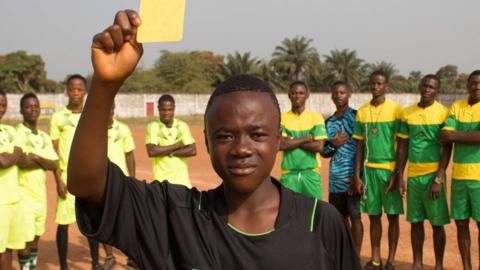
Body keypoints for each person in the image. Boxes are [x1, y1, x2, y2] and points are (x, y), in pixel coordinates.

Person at [67, 10, 360, 270]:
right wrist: (105, 84)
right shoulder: (175, 217)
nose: (241, 148)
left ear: (277, 139)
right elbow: (88, 185)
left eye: (257, 135)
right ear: (207, 143)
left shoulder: (321, 223)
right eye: (225, 136)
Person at [394, 75, 451, 270]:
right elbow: (402, 147)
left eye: (432, 87)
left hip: (433, 177)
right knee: (416, 222)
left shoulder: (444, 113)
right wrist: (399, 174)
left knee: (437, 224)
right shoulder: (407, 113)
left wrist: (439, 177)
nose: (427, 89)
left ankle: (439, 265)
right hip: (413, 177)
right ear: (420, 87)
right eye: (425, 86)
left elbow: (447, 148)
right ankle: (417, 264)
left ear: (437, 91)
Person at [49, 74, 102, 270]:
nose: (76, 93)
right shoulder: (58, 118)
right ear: (67, 91)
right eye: (72, 89)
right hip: (67, 178)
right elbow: (53, 150)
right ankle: (63, 266)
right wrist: (58, 180)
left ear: (85, 91)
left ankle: (96, 263)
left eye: (80, 89)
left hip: (89, 179)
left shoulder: (91, 115)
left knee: (93, 221)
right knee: (63, 223)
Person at [352, 70, 404, 270]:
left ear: (386, 85)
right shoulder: (362, 112)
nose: (375, 87)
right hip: (369, 171)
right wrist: (357, 176)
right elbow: (359, 146)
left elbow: (402, 145)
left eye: (379, 83)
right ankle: (376, 259)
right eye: (372, 83)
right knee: (373, 216)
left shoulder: (396, 111)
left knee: (392, 217)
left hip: (389, 171)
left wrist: (398, 173)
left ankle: (390, 260)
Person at [439, 70, 480, 270]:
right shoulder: (457, 106)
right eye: (473, 83)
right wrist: (469, 135)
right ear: (467, 85)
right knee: (461, 224)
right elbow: (445, 135)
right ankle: (467, 267)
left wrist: (456, 135)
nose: (477, 86)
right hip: (459, 178)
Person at [16, 93, 59, 270]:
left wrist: (38, 159)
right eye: (28, 106)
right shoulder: (18, 133)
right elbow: (22, 162)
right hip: (23, 195)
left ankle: (31, 268)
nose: (33, 109)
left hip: (40, 196)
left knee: (35, 239)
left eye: (36, 106)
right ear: (21, 110)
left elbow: (54, 163)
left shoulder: (43, 136)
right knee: (25, 241)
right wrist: (44, 162)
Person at [321, 81, 363, 255]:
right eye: (336, 92)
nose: (339, 95)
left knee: (355, 216)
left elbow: (362, 146)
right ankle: (346, 253)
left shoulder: (357, 116)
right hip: (335, 178)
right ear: (331, 96)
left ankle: (356, 256)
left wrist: (358, 175)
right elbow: (324, 152)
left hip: (353, 176)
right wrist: (333, 144)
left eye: (343, 92)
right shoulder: (329, 121)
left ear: (349, 95)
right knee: (339, 218)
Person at [279, 81, 326, 199]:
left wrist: (293, 140)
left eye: (301, 93)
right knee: (289, 213)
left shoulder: (316, 117)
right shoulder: (282, 118)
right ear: (289, 95)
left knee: (314, 212)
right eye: (294, 93)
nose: (297, 96)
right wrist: (306, 138)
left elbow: (319, 147)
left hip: (311, 174)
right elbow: (281, 144)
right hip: (289, 175)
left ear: (307, 95)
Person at [106, 103, 138, 269]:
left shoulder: (123, 129)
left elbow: (129, 154)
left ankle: (132, 257)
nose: (109, 110)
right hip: (102, 184)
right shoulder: (95, 129)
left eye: (111, 107)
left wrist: (132, 180)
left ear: (114, 109)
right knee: (105, 221)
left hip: (122, 182)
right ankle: (110, 257)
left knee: (128, 221)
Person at [145, 94, 196, 187]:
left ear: (174, 108)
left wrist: (167, 152)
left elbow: (192, 150)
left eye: (169, 109)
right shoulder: (153, 126)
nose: (166, 113)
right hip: (161, 181)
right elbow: (152, 151)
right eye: (163, 110)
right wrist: (176, 146)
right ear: (158, 108)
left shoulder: (182, 126)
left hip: (182, 181)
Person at [0, 90, 24, 270]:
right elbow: (4, 161)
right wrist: (13, 154)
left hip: (13, 199)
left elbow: (21, 156)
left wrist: (12, 155)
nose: (1, 108)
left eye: (3, 104)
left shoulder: (10, 130)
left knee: (8, 249)